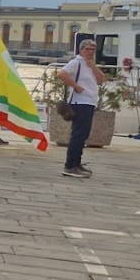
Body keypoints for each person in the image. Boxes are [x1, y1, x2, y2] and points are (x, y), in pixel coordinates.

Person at [58, 39, 105, 179]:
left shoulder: (90, 64)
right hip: (80, 102)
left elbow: (100, 80)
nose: (90, 52)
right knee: (78, 135)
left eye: (93, 50)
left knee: (83, 135)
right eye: (87, 49)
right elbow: (62, 74)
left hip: (89, 102)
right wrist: (76, 86)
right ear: (81, 50)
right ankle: (70, 165)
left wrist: (93, 66)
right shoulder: (76, 62)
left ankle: (76, 163)